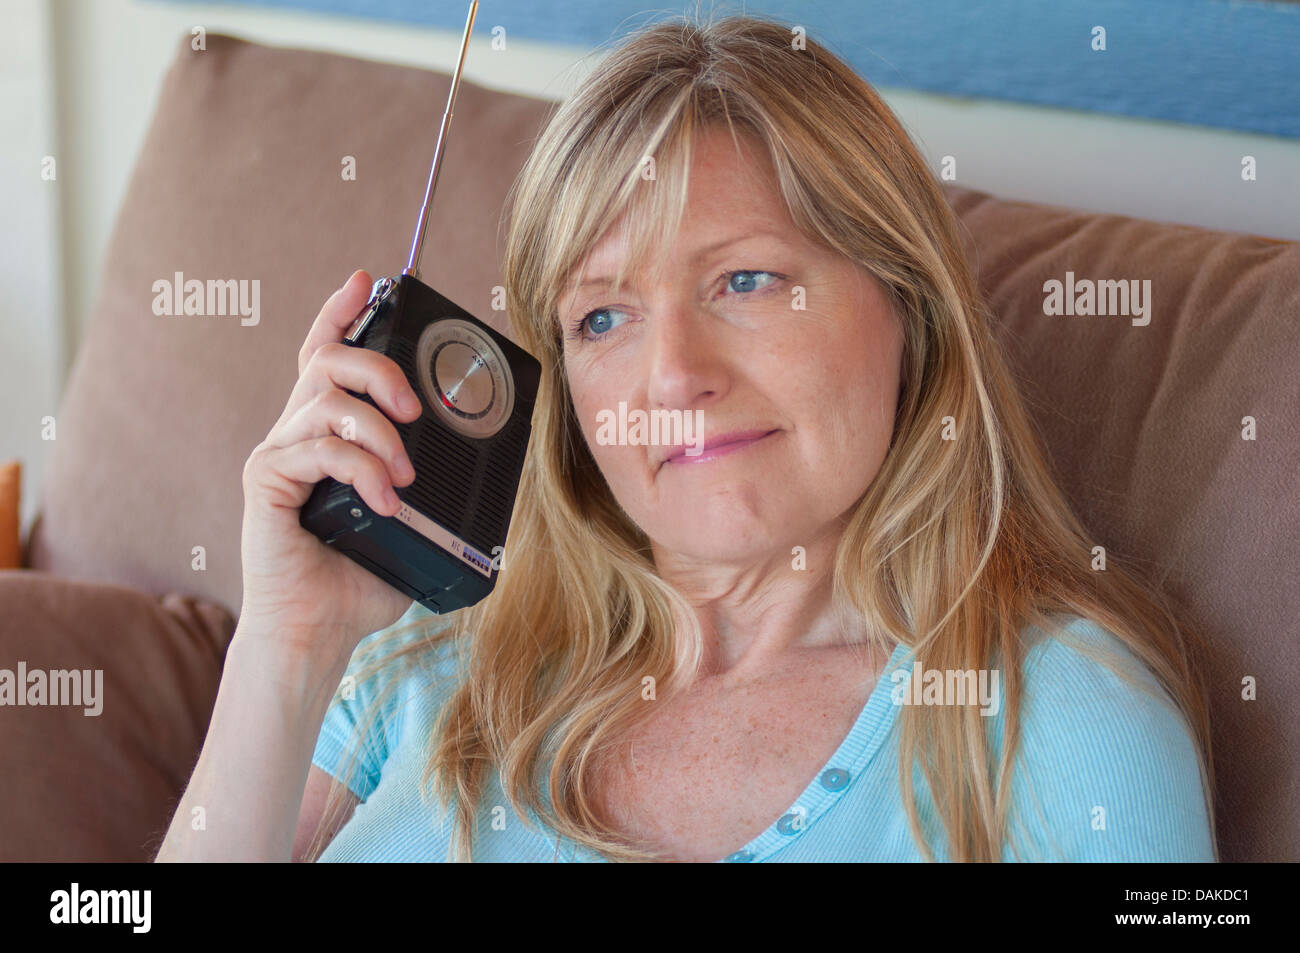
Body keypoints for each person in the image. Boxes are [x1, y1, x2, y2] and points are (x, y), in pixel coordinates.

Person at [156, 13, 1217, 863]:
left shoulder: (1061, 724)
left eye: (745, 279)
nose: (673, 376)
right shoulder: (418, 658)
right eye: (602, 317)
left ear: (909, 308)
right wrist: (286, 649)